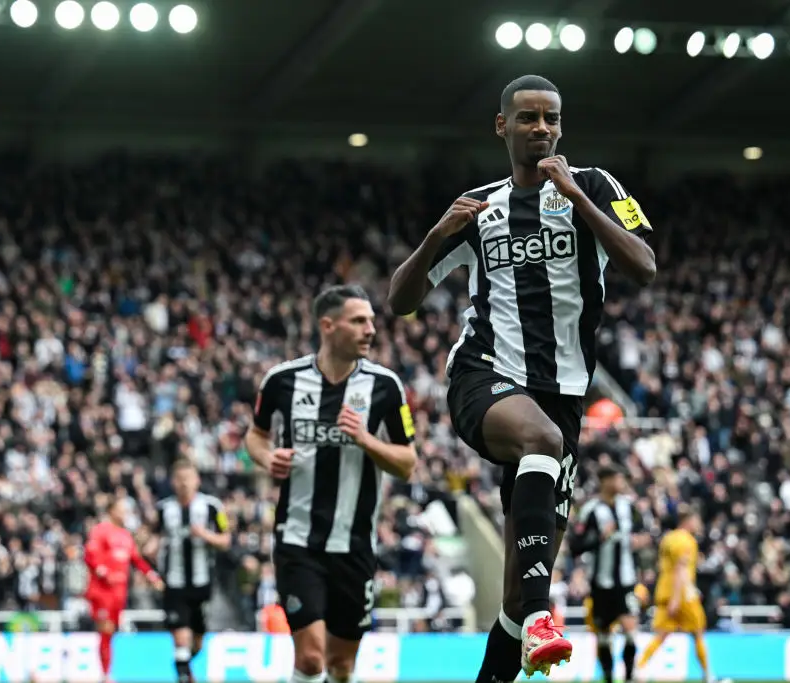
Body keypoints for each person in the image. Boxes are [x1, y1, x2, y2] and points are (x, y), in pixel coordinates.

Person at [388, 74, 656, 681]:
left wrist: (578, 201)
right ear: (502, 125)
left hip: (562, 398)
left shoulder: (596, 186)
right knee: (539, 443)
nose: (542, 129)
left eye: (552, 119)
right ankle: (543, 616)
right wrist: (436, 234)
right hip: (485, 373)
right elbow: (400, 300)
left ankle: (523, 624)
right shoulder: (480, 209)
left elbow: (644, 265)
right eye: (529, 118)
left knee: (514, 594)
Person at [244, 284, 418, 683]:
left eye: (372, 321)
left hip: (355, 545)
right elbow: (255, 435)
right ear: (328, 325)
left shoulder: (385, 386)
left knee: (341, 666)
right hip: (297, 540)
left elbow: (408, 463)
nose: (370, 329)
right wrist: (268, 457)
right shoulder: (281, 381)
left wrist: (366, 439)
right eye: (359, 321)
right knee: (310, 659)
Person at [152, 459, 232, 683]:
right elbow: (152, 539)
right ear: (173, 482)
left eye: (188, 478)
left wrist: (206, 535)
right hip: (174, 584)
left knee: (197, 642)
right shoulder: (163, 509)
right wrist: (150, 548)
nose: (184, 483)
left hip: (202, 584)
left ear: (197, 480)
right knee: (181, 637)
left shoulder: (212, 506)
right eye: (179, 479)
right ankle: (184, 675)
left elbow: (226, 540)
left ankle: (183, 664)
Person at [571, 465, 651, 683]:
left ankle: (628, 676)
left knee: (630, 629)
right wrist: (599, 538)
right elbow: (575, 546)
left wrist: (641, 540)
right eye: (617, 477)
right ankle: (607, 676)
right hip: (600, 583)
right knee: (603, 635)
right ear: (604, 481)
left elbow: (644, 531)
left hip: (626, 581)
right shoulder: (590, 510)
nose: (621, 482)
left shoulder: (630, 507)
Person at [85, 496, 165, 682]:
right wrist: (104, 573)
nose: (125, 513)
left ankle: (106, 672)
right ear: (112, 510)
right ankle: (105, 675)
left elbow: (136, 560)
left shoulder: (125, 535)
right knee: (105, 629)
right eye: (122, 509)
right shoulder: (100, 530)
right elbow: (91, 555)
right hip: (102, 590)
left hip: (119, 592)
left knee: (111, 631)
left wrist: (152, 576)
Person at [637, 505, 716, 683]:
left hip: (663, 591)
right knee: (698, 633)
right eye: (695, 520)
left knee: (661, 635)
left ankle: (639, 669)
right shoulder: (686, 540)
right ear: (687, 521)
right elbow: (681, 570)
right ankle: (708, 676)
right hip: (682, 596)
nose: (697, 524)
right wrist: (677, 598)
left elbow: (664, 567)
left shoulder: (668, 539)